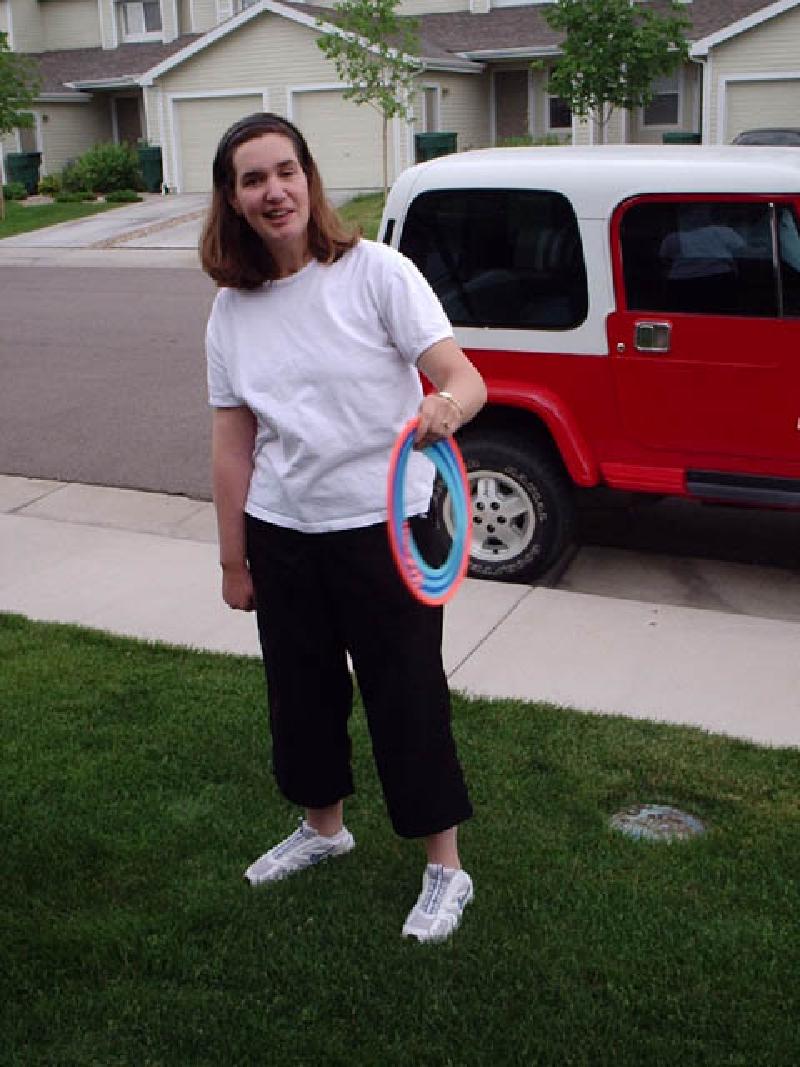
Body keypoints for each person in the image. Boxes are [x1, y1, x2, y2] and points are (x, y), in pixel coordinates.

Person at [200, 112, 487, 944]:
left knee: (408, 696)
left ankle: (446, 866)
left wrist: (444, 407)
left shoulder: (377, 274)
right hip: (284, 532)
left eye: (284, 170)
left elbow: (464, 379)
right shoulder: (231, 311)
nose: (273, 190)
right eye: (252, 179)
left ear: (309, 178)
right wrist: (233, 559)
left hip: (385, 526)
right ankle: (323, 828)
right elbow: (232, 441)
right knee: (302, 694)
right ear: (233, 199)